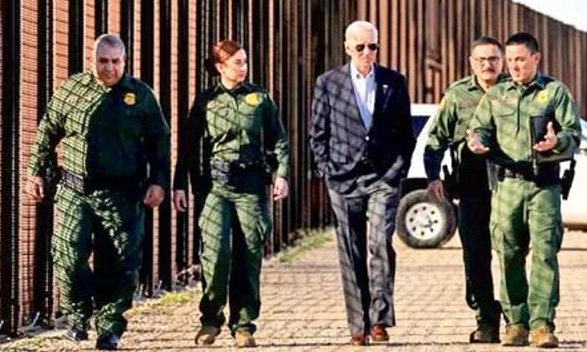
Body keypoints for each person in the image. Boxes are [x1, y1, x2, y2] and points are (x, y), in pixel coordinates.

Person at [25, 33, 170, 351]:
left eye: (116, 62)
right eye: (103, 61)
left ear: (125, 61)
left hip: (122, 193)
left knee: (119, 262)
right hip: (75, 189)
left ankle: (109, 327)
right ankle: (77, 316)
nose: (109, 68)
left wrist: (159, 181)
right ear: (92, 61)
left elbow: (160, 142)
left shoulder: (140, 96)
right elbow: (47, 130)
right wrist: (35, 171)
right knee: (67, 255)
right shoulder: (73, 90)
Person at [172, 39, 290, 348]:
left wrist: (282, 174)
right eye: (237, 62)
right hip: (216, 187)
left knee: (249, 254)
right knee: (215, 254)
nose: (244, 67)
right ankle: (210, 320)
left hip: (251, 186)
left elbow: (278, 139)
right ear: (220, 67)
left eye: (245, 61)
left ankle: (244, 325)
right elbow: (188, 146)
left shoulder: (259, 98)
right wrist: (179, 184)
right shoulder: (206, 101)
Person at [466, 31, 581, 349]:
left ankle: (542, 325)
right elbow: (480, 128)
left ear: (536, 58)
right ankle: (516, 324)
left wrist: (557, 141)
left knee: (545, 254)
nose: (514, 66)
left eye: (520, 59)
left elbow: (574, 134)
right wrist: (477, 142)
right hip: (507, 186)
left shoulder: (555, 92)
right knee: (508, 255)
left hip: (544, 185)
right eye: (510, 60)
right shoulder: (497, 94)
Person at [310, 20, 414, 346]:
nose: (367, 52)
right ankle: (359, 324)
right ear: (347, 48)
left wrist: (397, 170)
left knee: (380, 243)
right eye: (360, 47)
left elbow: (405, 134)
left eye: (373, 46)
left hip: (383, 176)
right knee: (350, 249)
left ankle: (379, 318)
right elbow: (318, 133)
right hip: (343, 177)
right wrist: (327, 169)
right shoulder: (328, 83)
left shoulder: (394, 82)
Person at [423, 35, 505, 343]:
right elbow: (436, 138)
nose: (488, 64)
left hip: (510, 183)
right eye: (481, 59)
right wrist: (433, 176)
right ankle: (486, 318)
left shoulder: (514, 90)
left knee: (512, 251)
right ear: (471, 62)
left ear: (502, 60)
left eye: (493, 59)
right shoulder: (457, 94)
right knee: (475, 253)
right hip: (471, 183)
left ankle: (517, 317)